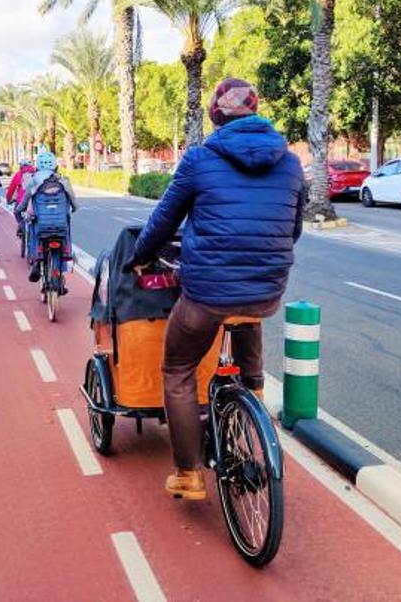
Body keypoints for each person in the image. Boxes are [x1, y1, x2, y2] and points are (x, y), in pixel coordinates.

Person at [127, 78, 305, 501]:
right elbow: (293, 229)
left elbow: (164, 221)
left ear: (216, 116)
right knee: (248, 308)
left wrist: (138, 256)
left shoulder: (200, 158)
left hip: (207, 293)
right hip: (268, 288)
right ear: (257, 113)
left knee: (178, 371)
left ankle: (188, 474)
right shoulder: (291, 162)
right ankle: (254, 390)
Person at [17, 148, 76, 281]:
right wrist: (75, 208)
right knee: (66, 224)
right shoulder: (63, 180)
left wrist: (19, 210)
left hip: (41, 224)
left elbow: (25, 199)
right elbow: (72, 197)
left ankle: (36, 260)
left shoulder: (33, 180)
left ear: (37, 165)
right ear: (55, 165)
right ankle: (66, 253)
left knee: (33, 229)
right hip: (60, 224)